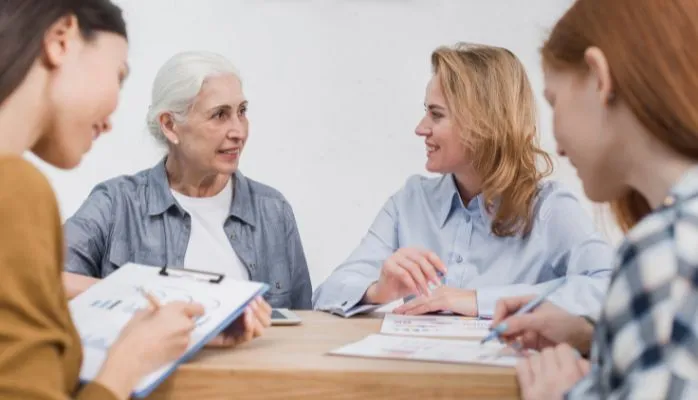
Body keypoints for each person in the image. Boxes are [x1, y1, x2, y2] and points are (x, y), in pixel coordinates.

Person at [0, 2, 270, 399]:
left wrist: (176, 332)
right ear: (60, 41)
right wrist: (129, 361)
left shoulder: (271, 208)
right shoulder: (17, 190)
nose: (111, 119)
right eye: (118, 76)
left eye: (241, 112)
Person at [313, 43, 613, 319]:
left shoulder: (548, 208)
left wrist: (477, 300)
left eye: (436, 115)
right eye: (425, 112)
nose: (421, 128)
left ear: (482, 123)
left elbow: (609, 288)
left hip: (504, 377)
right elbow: (326, 294)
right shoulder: (410, 201)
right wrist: (379, 290)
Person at [491, 0, 698, 398]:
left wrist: (561, 395)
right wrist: (597, 335)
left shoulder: (666, 250)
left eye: (553, 101)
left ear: (599, 77)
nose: (557, 142)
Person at [61, 51, 312, 310]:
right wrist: (139, 296)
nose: (239, 131)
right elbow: (39, 279)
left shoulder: (272, 210)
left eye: (242, 111)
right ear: (170, 125)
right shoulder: (116, 203)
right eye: (219, 115)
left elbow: (306, 325)